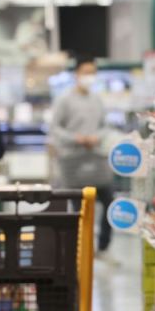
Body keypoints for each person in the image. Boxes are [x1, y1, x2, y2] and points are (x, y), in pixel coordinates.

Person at [49, 57, 115, 260]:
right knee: (78, 209)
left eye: (92, 72)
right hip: (72, 162)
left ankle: (102, 248)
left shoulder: (97, 100)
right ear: (76, 74)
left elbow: (104, 126)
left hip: (97, 160)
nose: (89, 76)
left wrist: (97, 137)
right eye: (86, 72)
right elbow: (55, 128)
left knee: (109, 203)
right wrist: (75, 138)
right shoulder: (64, 99)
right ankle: (80, 250)